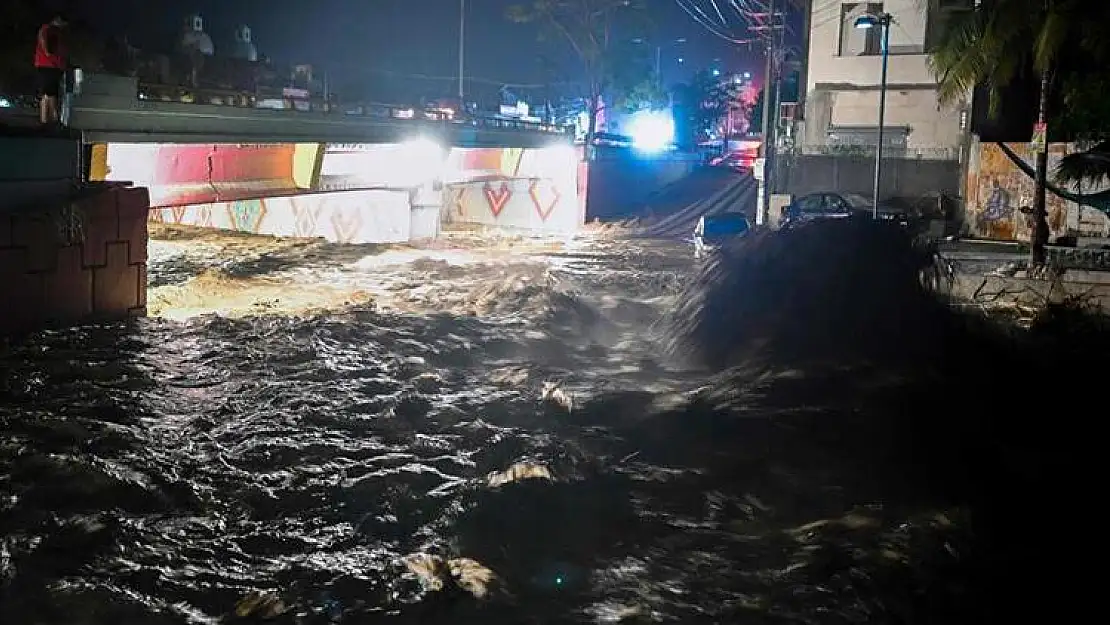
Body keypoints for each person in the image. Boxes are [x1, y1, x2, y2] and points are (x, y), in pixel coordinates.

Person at [34, 15, 68, 126]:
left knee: (52, 93)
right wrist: (47, 52)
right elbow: (43, 40)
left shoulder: (57, 33)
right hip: (47, 65)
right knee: (47, 93)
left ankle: (53, 118)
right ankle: (45, 119)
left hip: (54, 66)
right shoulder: (47, 29)